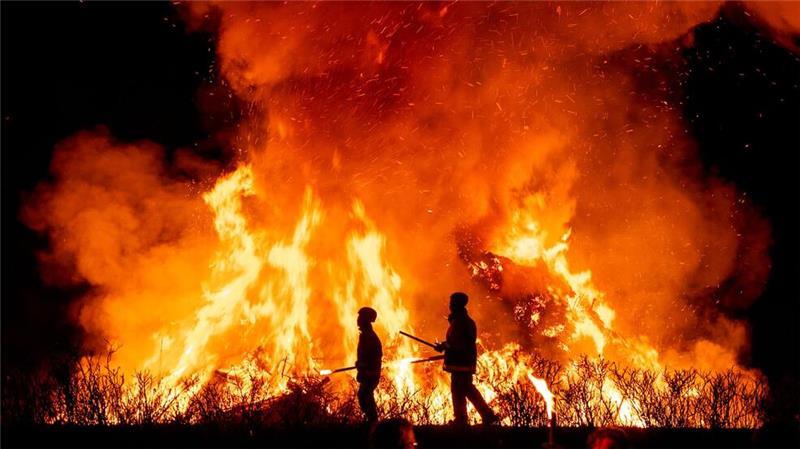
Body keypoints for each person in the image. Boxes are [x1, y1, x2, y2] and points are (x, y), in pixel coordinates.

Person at [434, 292, 498, 426]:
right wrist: (445, 345)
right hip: (462, 362)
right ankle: (466, 418)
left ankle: (479, 417)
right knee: (462, 390)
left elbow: (459, 343)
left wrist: (445, 346)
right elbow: (455, 341)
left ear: (457, 304)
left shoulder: (462, 322)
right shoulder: (460, 320)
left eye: (452, 302)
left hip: (461, 362)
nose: (450, 305)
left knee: (463, 390)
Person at [356, 306, 382, 423]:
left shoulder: (369, 337)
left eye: (360, 317)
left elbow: (374, 357)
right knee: (364, 396)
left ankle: (373, 423)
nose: (358, 319)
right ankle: (371, 422)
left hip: (370, 374)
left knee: (365, 396)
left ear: (366, 319)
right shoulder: (366, 335)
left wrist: (364, 366)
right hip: (368, 372)